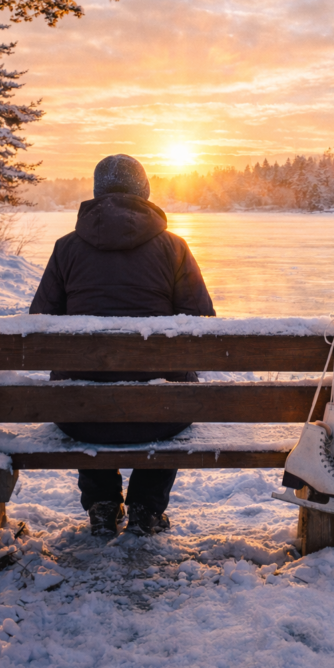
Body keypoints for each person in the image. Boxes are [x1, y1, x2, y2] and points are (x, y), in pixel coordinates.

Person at [29, 154, 215, 537]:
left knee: (82, 389)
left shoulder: (66, 249)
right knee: (172, 392)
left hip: (80, 413)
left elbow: (39, 325)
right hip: (159, 412)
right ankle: (146, 508)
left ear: (97, 194)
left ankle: (102, 504)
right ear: (144, 192)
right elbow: (201, 325)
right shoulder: (174, 247)